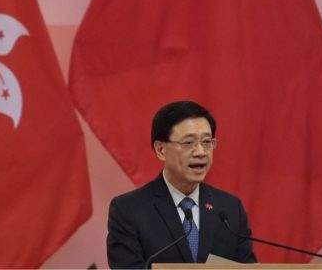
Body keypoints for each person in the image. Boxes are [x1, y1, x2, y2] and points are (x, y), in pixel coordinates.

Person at [107, 100, 257, 268]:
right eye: (188, 143)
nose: (201, 152)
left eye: (207, 142)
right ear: (160, 149)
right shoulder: (128, 210)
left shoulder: (229, 209)